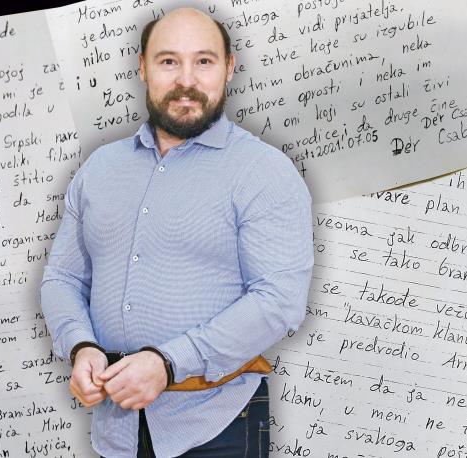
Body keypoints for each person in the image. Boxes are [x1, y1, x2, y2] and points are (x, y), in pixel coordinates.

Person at [40, 7, 313, 457]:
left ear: (228, 68)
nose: (186, 80)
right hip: (116, 430)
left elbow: (279, 300)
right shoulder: (100, 168)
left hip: (219, 426)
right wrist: (80, 346)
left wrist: (168, 364)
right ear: (143, 68)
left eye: (203, 61)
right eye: (168, 61)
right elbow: (63, 278)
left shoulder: (264, 171)